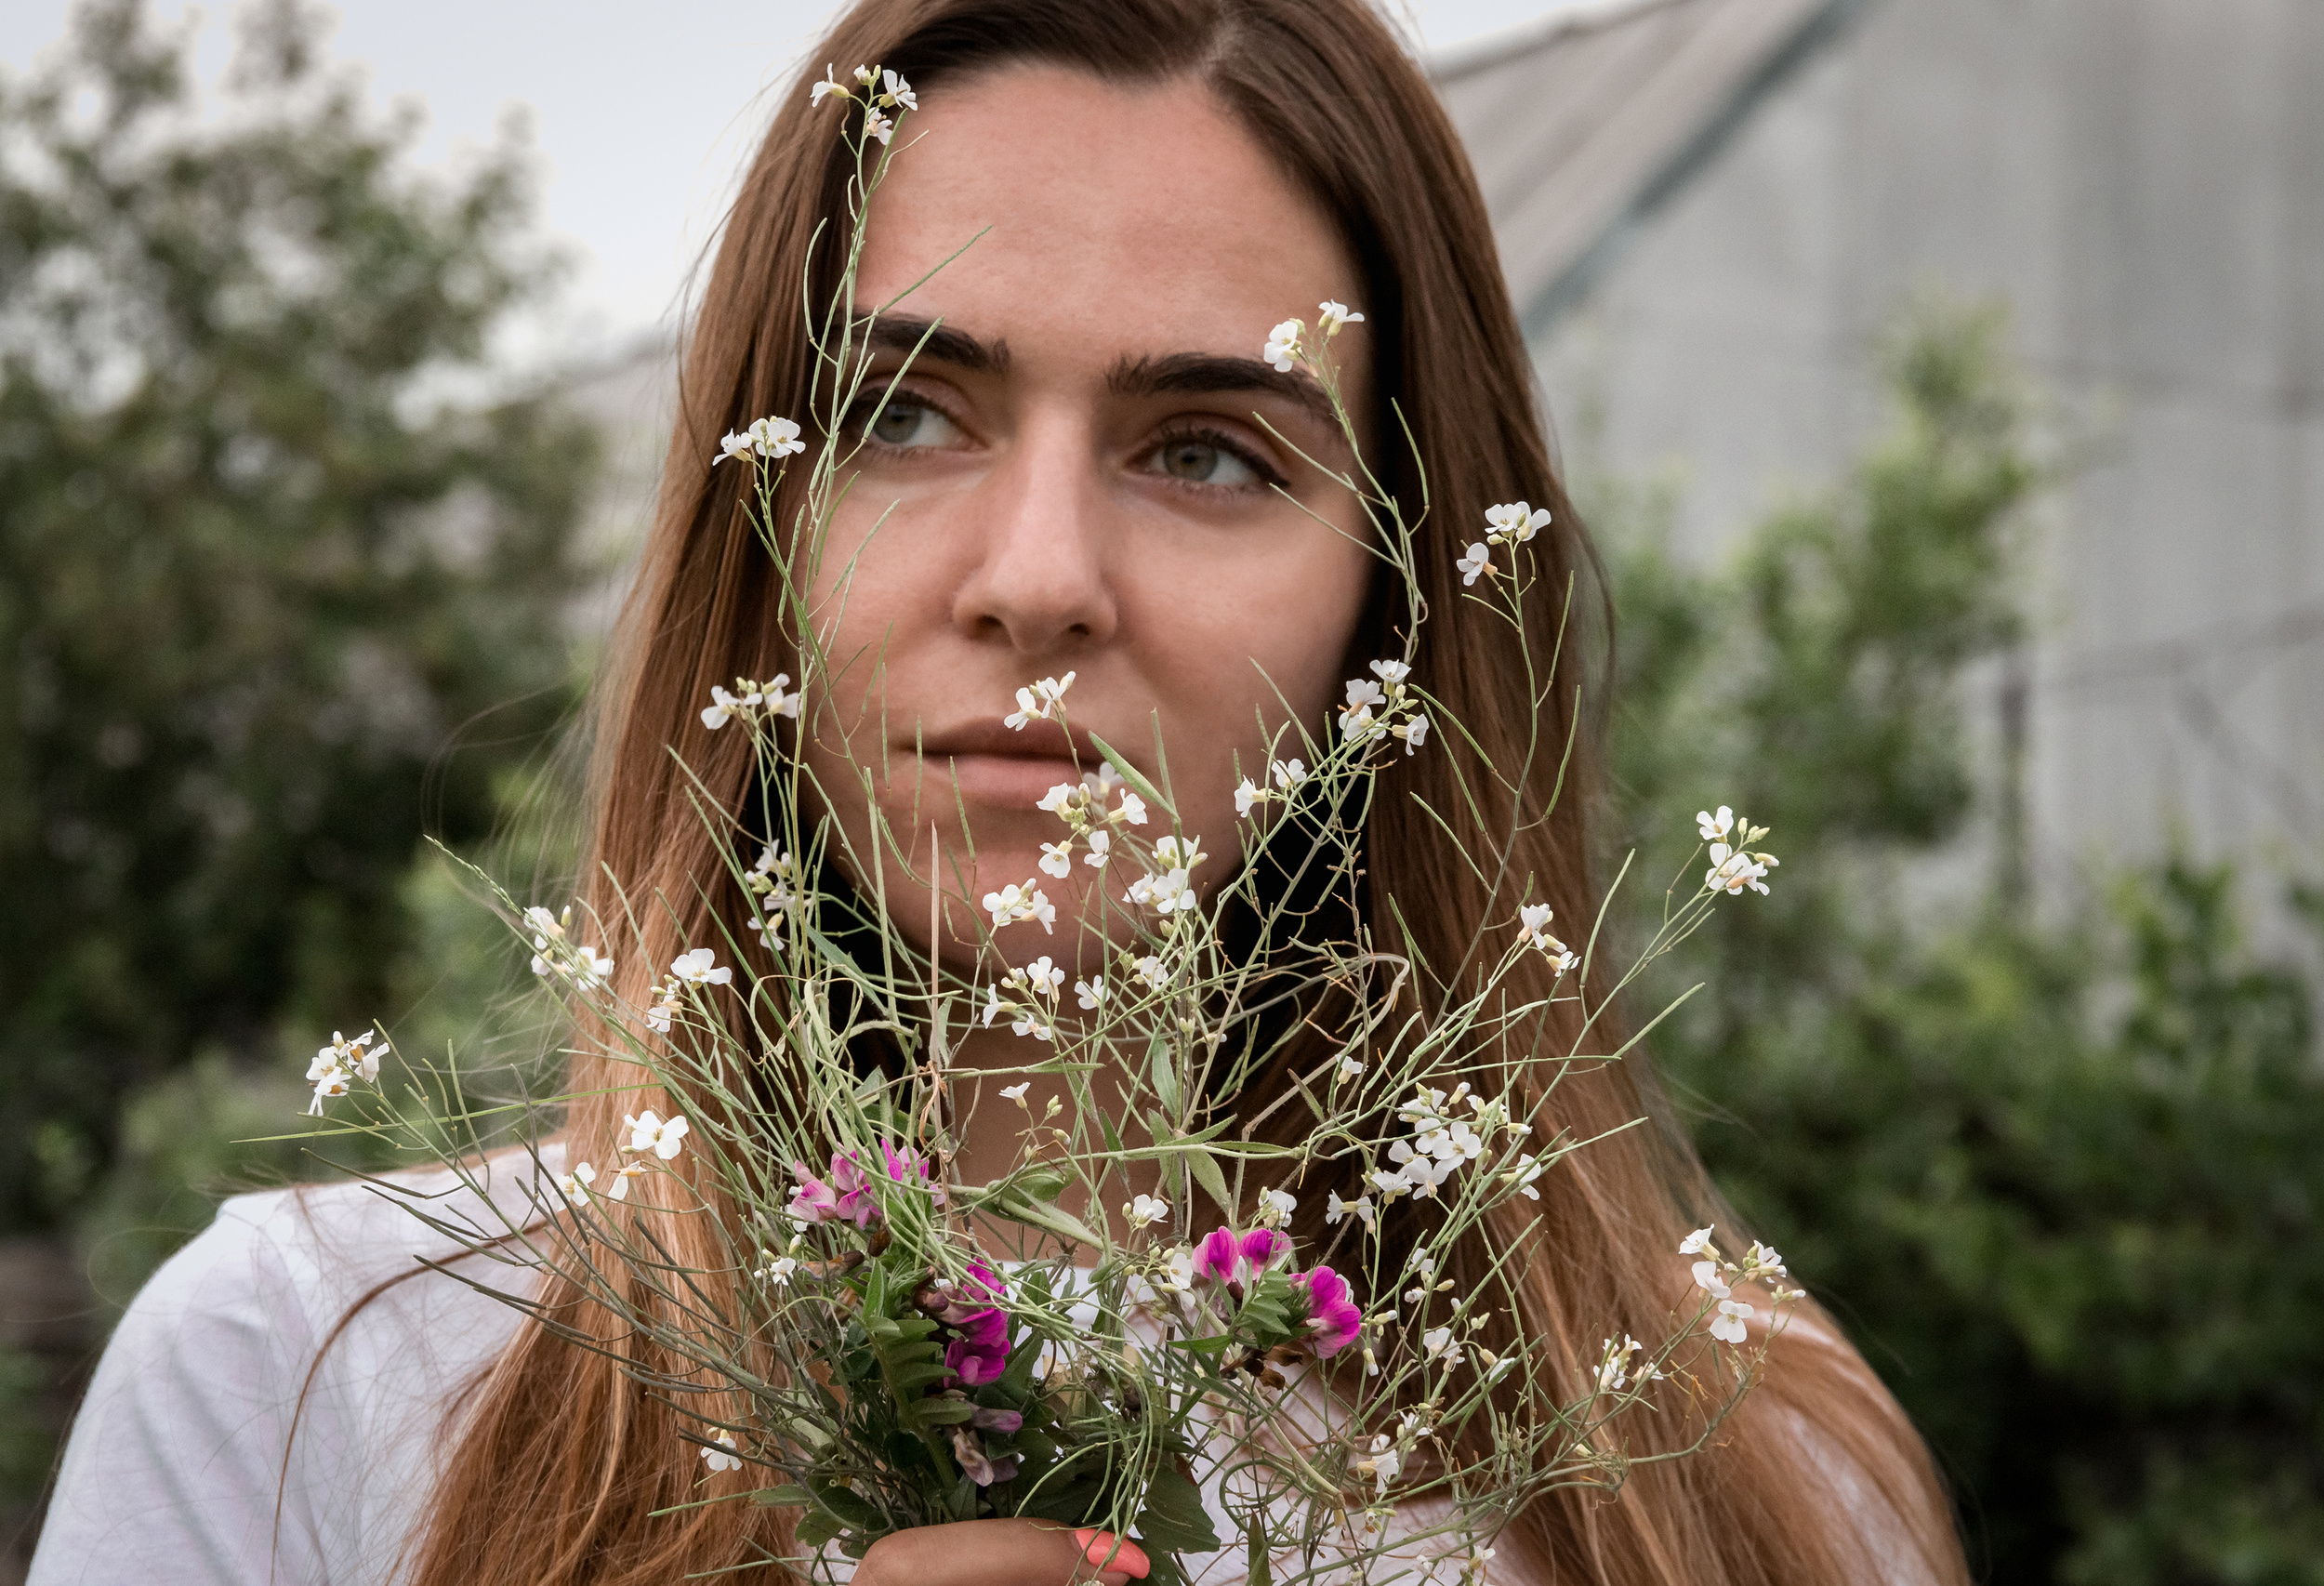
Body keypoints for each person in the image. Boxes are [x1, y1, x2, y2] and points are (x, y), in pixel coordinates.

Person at [31, 1, 1970, 1582]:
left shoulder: (1738, 1473)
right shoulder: (314, 1374)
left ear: (1397, 601)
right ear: (752, 523)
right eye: (899, 415)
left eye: (1208, 452)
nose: (1038, 579)